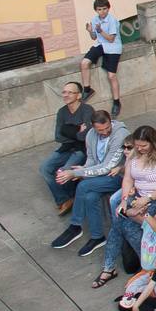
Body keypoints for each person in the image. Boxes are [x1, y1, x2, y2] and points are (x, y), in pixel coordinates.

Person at [96, 127, 156, 286]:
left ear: (153, 142)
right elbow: (127, 179)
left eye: (143, 146)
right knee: (120, 220)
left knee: (123, 222)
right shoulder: (134, 154)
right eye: (137, 145)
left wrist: (147, 200)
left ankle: (119, 267)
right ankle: (145, 263)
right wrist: (124, 199)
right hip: (140, 196)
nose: (139, 149)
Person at [41, 82, 94, 215]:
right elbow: (58, 136)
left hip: (81, 149)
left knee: (64, 171)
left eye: (70, 92)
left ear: (78, 95)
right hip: (66, 148)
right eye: (64, 92)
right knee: (45, 168)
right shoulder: (62, 112)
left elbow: (85, 136)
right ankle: (64, 199)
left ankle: (74, 196)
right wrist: (76, 129)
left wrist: (67, 130)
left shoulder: (87, 110)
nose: (66, 95)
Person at [80, 0, 123, 116]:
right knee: (84, 63)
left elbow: (111, 39)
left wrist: (100, 31)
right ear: (96, 10)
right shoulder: (94, 19)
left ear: (108, 9)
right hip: (100, 44)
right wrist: (90, 31)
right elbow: (94, 37)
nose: (102, 11)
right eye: (99, 9)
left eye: (104, 9)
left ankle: (116, 102)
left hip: (113, 47)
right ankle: (87, 89)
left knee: (111, 76)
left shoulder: (112, 20)